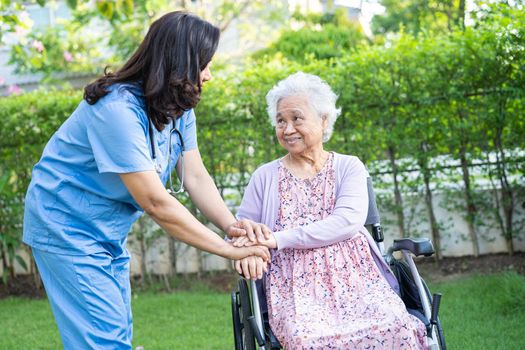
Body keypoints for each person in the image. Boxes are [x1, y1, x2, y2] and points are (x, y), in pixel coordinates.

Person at [22, 11, 270, 349]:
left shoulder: (177, 107)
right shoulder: (117, 110)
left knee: (115, 333)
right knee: (103, 341)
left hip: (106, 228)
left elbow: (195, 176)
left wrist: (234, 228)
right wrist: (227, 251)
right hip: (64, 225)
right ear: (179, 64)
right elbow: (155, 202)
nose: (209, 75)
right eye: (204, 64)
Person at [232, 72, 427, 349]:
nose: (287, 129)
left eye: (296, 118)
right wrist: (247, 252)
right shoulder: (264, 177)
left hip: (359, 280)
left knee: (394, 323)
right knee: (305, 339)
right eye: (280, 121)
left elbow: (346, 221)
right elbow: (242, 230)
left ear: (324, 120)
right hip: (294, 289)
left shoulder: (349, 167)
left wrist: (277, 239)